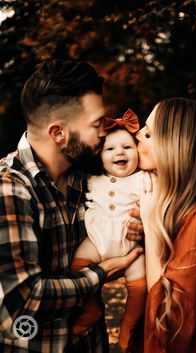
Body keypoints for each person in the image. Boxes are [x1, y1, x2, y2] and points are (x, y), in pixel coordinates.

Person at [0, 59, 144, 353]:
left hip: (92, 343)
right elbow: (23, 300)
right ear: (58, 133)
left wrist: (138, 227)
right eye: (96, 124)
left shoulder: (84, 175)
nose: (104, 133)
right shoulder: (9, 189)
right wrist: (99, 275)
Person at [136, 97, 196, 353]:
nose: (136, 134)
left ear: (173, 146)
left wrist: (151, 232)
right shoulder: (176, 210)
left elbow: (170, 330)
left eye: (148, 133)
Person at [71, 108, 147, 353]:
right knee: (75, 267)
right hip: (96, 239)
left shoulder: (145, 179)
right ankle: (91, 308)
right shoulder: (93, 178)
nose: (120, 153)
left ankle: (128, 325)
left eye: (127, 147)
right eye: (110, 149)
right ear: (100, 156)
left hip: (131, 244)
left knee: (140, 286)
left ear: (137, 152)